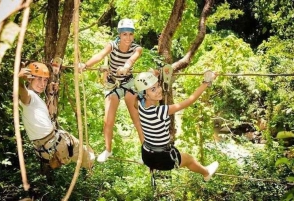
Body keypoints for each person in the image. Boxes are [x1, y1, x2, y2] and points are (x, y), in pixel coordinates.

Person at [134, 70, 219, 181]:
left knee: (156, 145)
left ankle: (154, 166)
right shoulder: (160, 111)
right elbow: (189, 101)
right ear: (145, 95)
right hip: (162, 159)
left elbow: (138, 95)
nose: (159, 90)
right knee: (189, 159)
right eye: (153, 89)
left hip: (147, 156)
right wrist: (206, 82)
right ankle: (206, 173)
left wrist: (151, 76)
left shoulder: (139, 104)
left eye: (158, 86)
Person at [79, 18, 144, 162]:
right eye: (124, 34)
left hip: (128, 84)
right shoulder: (112, 45)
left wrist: (127, 66)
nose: (128, 37)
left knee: (136, 118)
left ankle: (146, 152)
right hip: (112, 84)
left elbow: (133, 58)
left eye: (130, 34)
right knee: (108, 121)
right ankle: (108, 150)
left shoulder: (137, 48)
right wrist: (86, 64)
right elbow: (100, 55)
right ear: (119, 35)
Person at [18, 62, 95, 170]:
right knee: (87, 152)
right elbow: (22, 91)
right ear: (30, 79)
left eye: (45, 80)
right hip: (55, 143)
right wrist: (19, 79)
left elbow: (47, 116)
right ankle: (91, 164)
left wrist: (51, 93)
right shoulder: (28, 96)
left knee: (79, 148)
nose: (42, 84)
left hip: (44, 149)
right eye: (39, 79)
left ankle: (88, 163)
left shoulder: (35, 99)